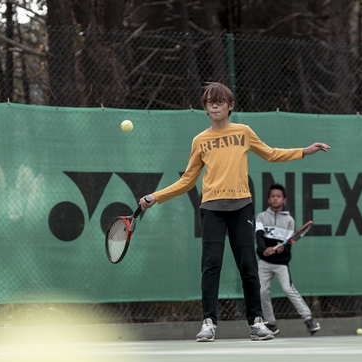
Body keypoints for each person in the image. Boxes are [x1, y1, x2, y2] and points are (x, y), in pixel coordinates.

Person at [139, 82, 329, 342]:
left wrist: (304, 151)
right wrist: (155, 196)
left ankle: (257, 323)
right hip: (212, 209)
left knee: (248, 266)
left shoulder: (243, 132)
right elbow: (187, 181)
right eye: (210, 102)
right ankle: (208, 324)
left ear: (230, 106)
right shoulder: (200, 140)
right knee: (211, 265)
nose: (215, 106)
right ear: (206, 108)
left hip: (241, 207)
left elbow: (271, 154)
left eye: (220, 102)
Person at [256, 183, 321, 336]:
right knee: (262, 291)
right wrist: (264, 250)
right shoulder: (261, 217)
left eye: (278, 196)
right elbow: (258, 238)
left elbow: (288, 244)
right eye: (272, 196)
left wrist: (282, 249)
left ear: (284, 199)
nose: (275, 199)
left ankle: (309, 320)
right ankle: (271, 324)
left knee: (288, 289)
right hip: (264, 263)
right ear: (268, 200)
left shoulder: (289, 220)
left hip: (281, 264)